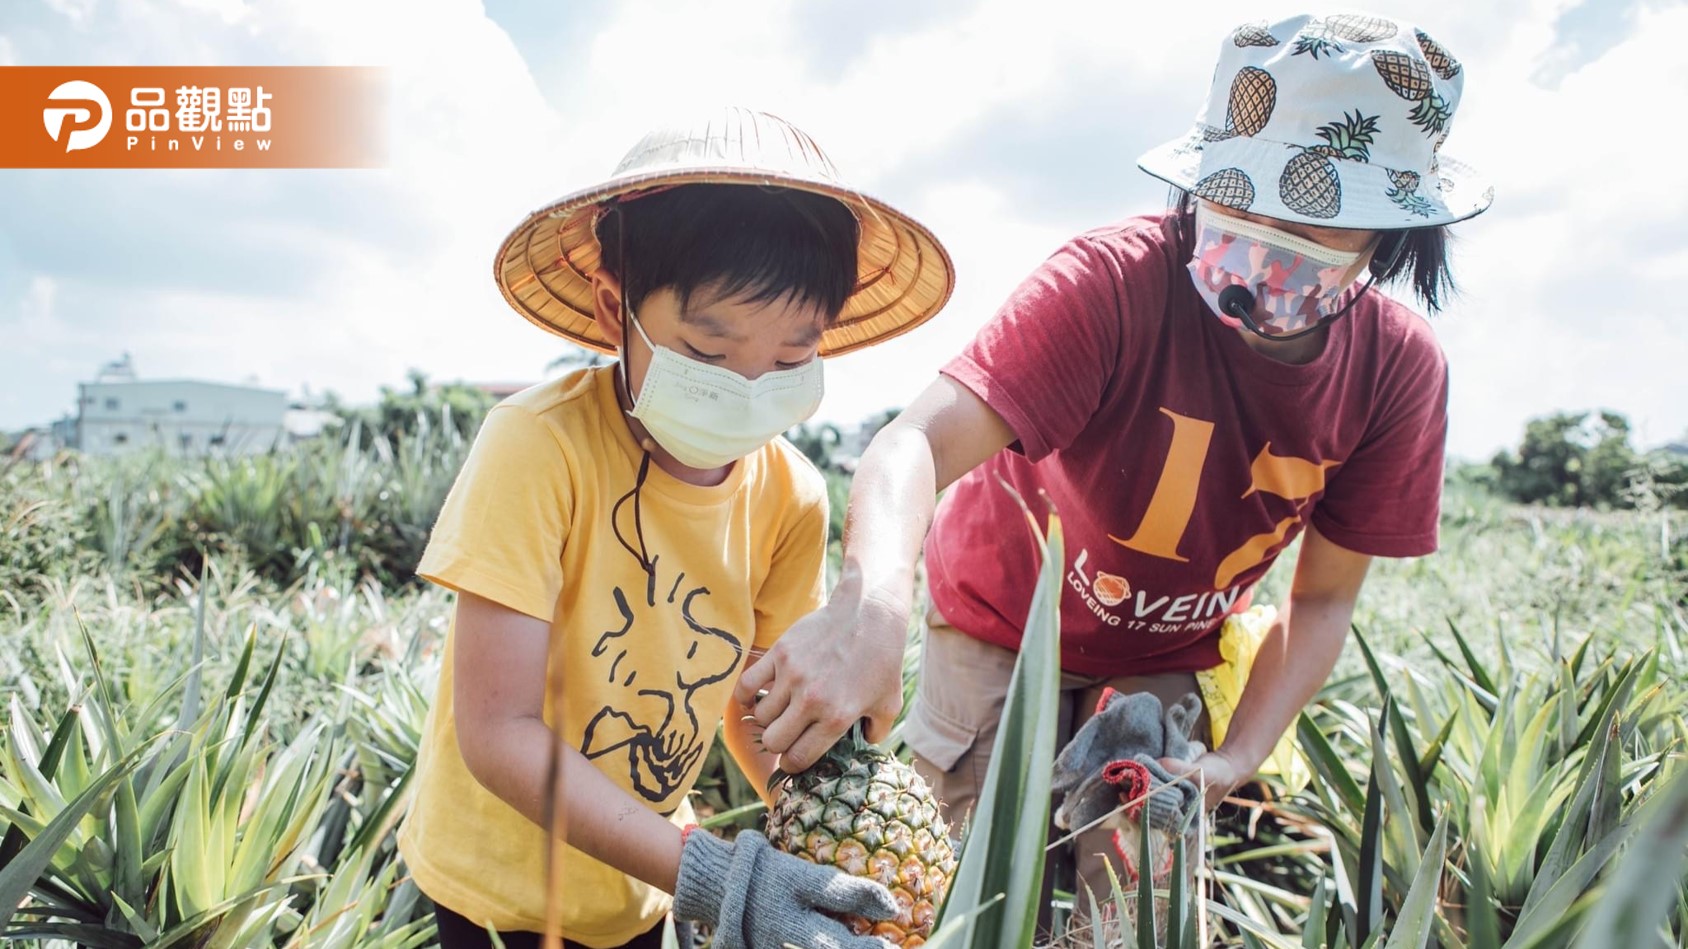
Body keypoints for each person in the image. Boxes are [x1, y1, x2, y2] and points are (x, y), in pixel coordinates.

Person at [736, 11, 1494, 910]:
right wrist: (871, 610)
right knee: (965, 892)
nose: (1263, 233)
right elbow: (914, 444)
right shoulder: (1111, 286)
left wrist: (1238, 755)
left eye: (1316, 221)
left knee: (1136, 905)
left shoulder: (1396, 372)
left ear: (1392, 234)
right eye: (1240, 198)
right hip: (1001, 623)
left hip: (1165, 651)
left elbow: (1323, 597)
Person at [396, 107, 954, 949]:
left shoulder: (793, 494)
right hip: (495, 885)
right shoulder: (537, 445)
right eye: (709, 349)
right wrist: (718, 874)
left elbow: (754, 708)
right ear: (615, 302)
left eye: (793, 357)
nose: (751, 385)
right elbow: (498, 730)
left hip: (645, 881)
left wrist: (829, 829)